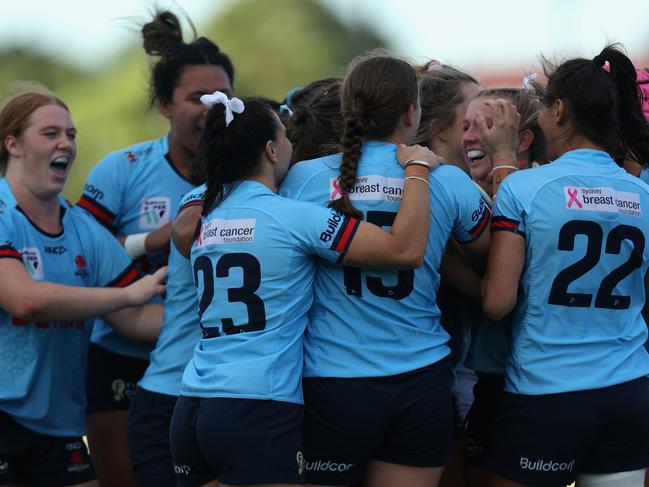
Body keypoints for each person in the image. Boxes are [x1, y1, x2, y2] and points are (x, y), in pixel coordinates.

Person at [169, 93, 441, 486]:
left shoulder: (206, 213)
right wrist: (417, 169)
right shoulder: (293, 217)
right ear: (271, 149)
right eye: (285, 136)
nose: (292, 144)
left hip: (191, 405)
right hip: (256, 407)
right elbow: (404, 250)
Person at [280, 53, 496, 487]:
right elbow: (497, 253)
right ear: (412, 113)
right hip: (418, 383)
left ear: (347, 111)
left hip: (332, 384)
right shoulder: (447, 179)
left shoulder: (300, 178)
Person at [75, 10, 235, 487]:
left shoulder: (254, 174)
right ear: (165, 105)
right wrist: (154, 240)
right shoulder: (121, 170)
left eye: (222, 97)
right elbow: (78, 257)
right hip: (125, 359)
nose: (211, 108)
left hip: (215, 363)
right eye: (196, 98)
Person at [482, 44, 649, 487]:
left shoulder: (525, 188)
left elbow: (498, 302)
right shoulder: (643, 195)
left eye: (541, 104)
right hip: (630, 390)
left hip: (547, 392)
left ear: (559, 109)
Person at [0, 89, 166, 487]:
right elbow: (25, 300)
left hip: (59, 426)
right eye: (50, 133)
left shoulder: (85, 230)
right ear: (13, 144)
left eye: (71, 134)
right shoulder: (4, 214)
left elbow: (137, 318)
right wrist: (127, 294)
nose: (66, 143)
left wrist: (220, 325)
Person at [455, 87, 545, 487]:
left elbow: (503, 298)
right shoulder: (461, 194)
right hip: (488, 384)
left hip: (535, 386)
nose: (470, 136)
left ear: (522, 139)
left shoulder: (540, 197)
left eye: (485, 125)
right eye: (465, 126)